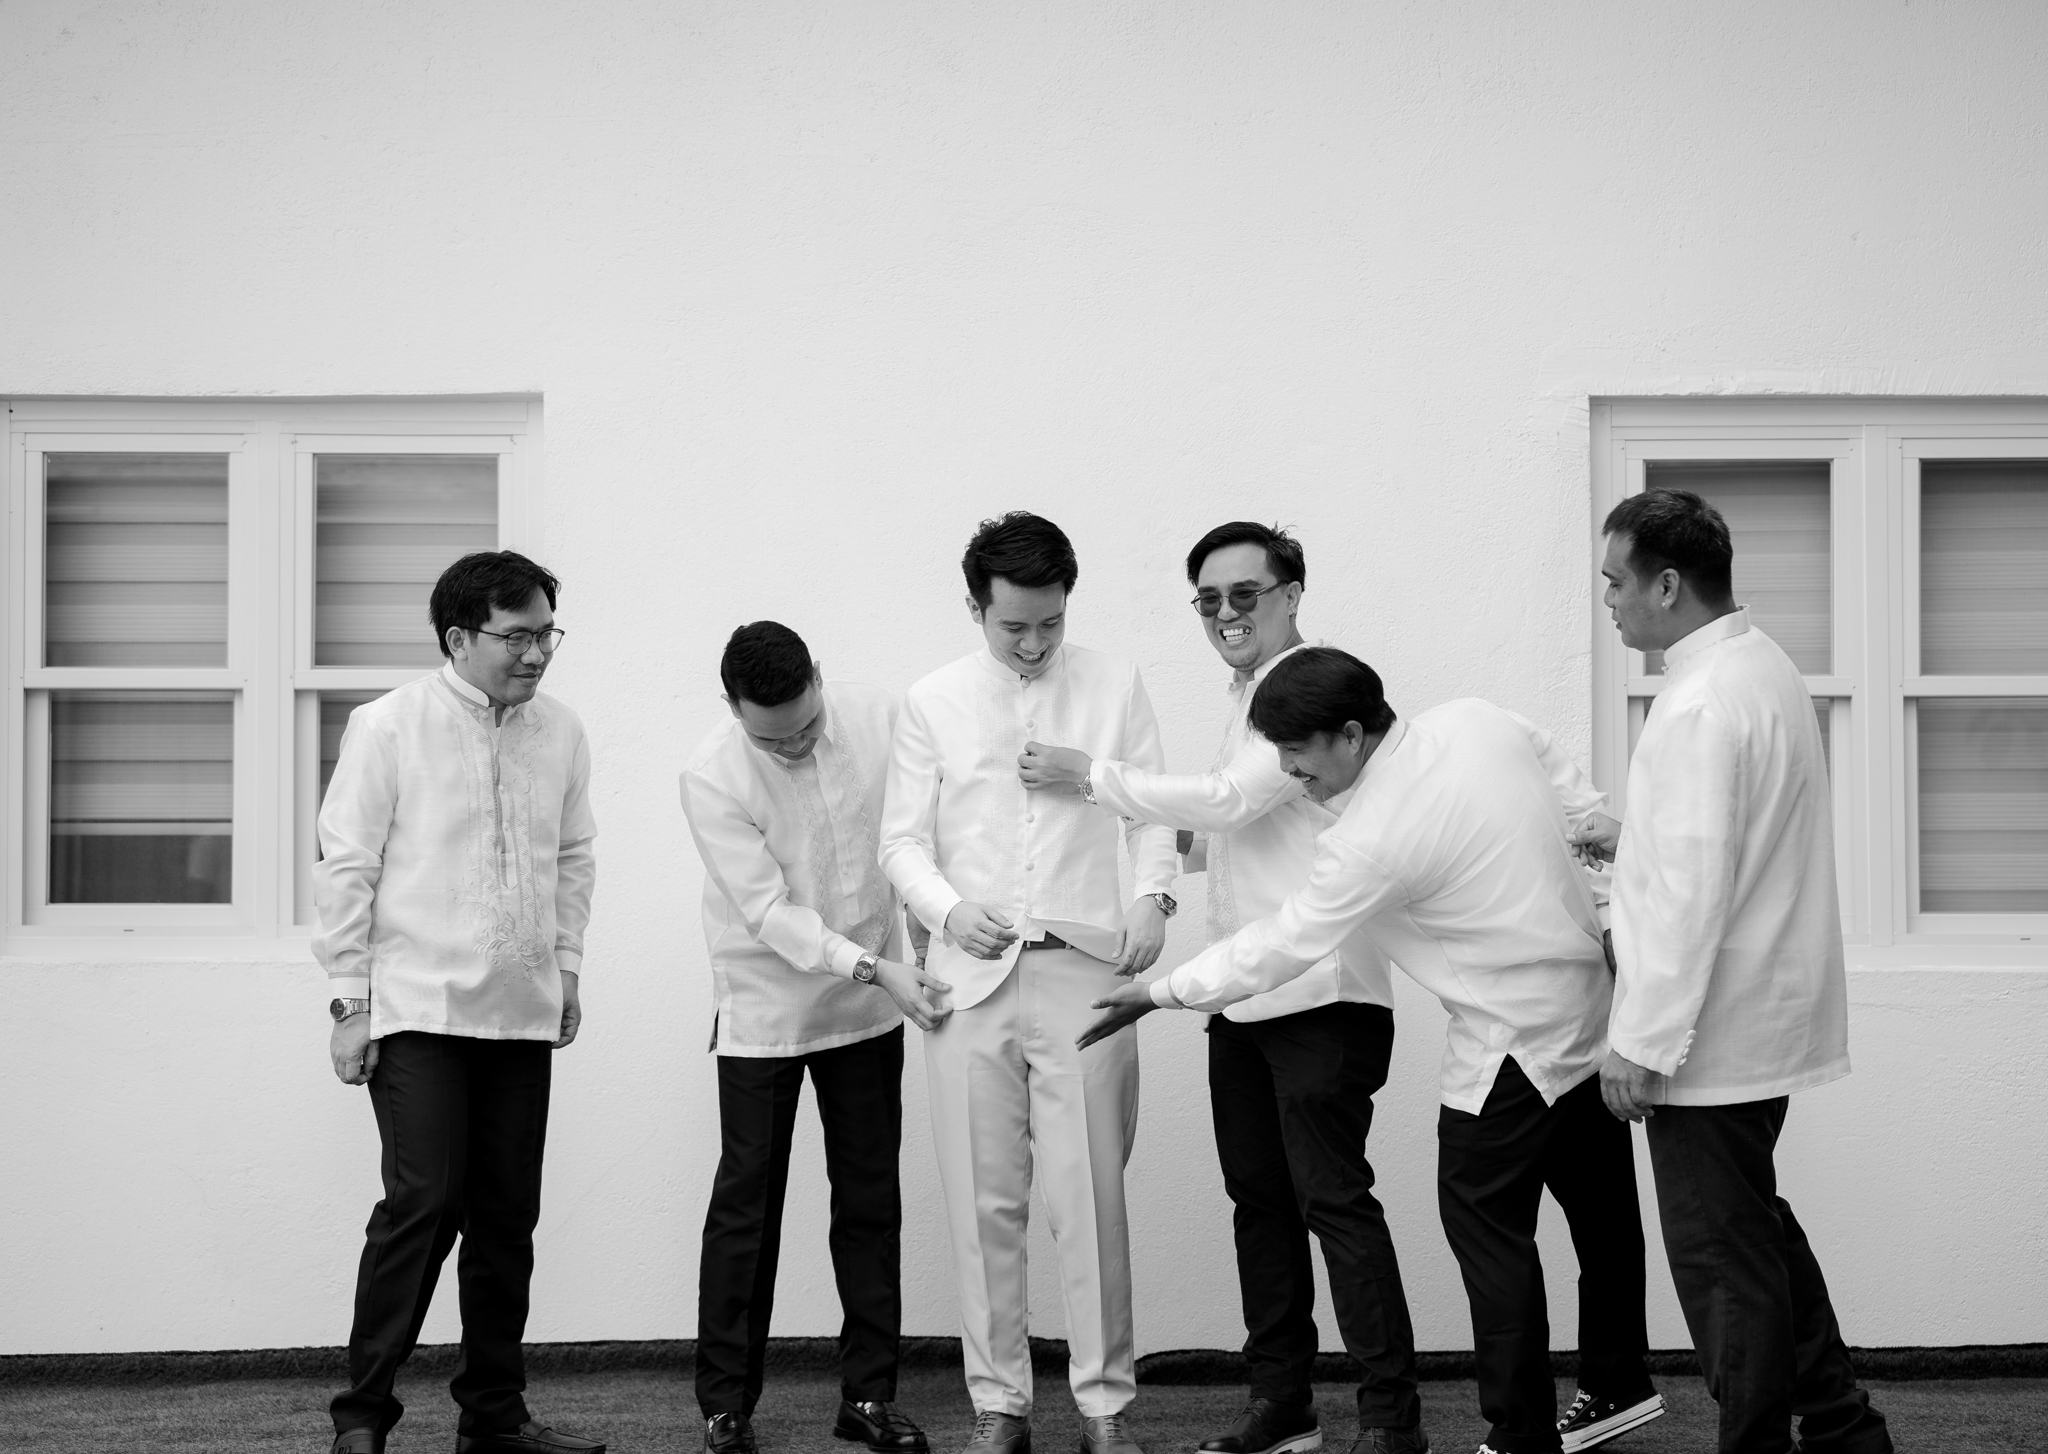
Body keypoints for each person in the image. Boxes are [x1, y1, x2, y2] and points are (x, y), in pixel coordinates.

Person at [1083, 649, 1659, 1454]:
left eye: (1299, 758)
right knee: (1603, 1212)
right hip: (1593, 1007)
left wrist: (1160, 992)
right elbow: (1563, 784)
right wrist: (1602, 883)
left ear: (1351, 736)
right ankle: (1619, 1380)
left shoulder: (1374, 838)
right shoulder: (1477, 719)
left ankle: (1518, 1435)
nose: (1291, 775)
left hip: (1508, 1045)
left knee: (1486, 1229)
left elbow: (1284, 942)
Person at [1018, 523, 1422, 1454]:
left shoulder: (1306, 685)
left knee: (1334, 1204)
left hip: (1322, 997)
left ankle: (1391, 1423)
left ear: (1292, 593)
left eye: (1246, 593)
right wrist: (1137, 872)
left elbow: (1232, 799)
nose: (1226, 613)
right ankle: (1283, 1406)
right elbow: (1226, 831)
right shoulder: (1247, 698)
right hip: (1242, 1002)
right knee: (1260, 1207)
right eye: (1208, 599)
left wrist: (1093, 778)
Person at [1596, 489, 1892, 1454]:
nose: (1609, 601)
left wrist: (1640, 1043)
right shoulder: (1764, 666)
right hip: (1759, 1017)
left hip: (1705, 1038)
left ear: (1666, 585)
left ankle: (1763, 1444)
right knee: (1757, 1235)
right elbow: (1729, 839)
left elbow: (1690, 897)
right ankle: (1845, 1430)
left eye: (1616, 582)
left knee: (1724, 1264)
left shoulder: (1696, 702)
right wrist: (1632, 838)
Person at [880, 512, 1179, 1454]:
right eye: (1014, 625)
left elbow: (1152, 815)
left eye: (1051, 622)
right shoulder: (931, 699)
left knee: (1091, 1198)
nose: (1035, 642)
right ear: (976, 607)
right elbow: (901, 841)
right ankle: (999, 1405)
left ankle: (1105, 1409)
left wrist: (1155, 902)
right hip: (968, 981)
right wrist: (945, 911)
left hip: (1086, 969)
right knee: (983, 1203)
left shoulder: (1115, 682)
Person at [319, 551, 603, 1454]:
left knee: (507, 1218)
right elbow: (347, 865)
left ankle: (494, 1416)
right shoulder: (388, 725)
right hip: (417, 1008)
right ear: (457, 638)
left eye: (546, 633)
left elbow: (574, 856)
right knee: (425, 1204)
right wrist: (348, 1004)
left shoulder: (561, 730)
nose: (537, 653)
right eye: (516, 637)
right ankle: (362, 1417)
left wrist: (567, 967)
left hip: (521, 1008)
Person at [680, 621, 949, 1454]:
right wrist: (876, 966)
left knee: (869, 1198)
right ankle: (725, 1406)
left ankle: (868, 1397)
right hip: (766, 1003)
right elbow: (767, 914)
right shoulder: (710, 773)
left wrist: (926, 924)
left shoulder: (881, 717)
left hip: (868, 1006)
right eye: (774, 739)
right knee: (747, 1206)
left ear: (820, 678)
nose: (795, 746)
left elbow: (916, 835)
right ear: (733, 709)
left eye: (807, 726)